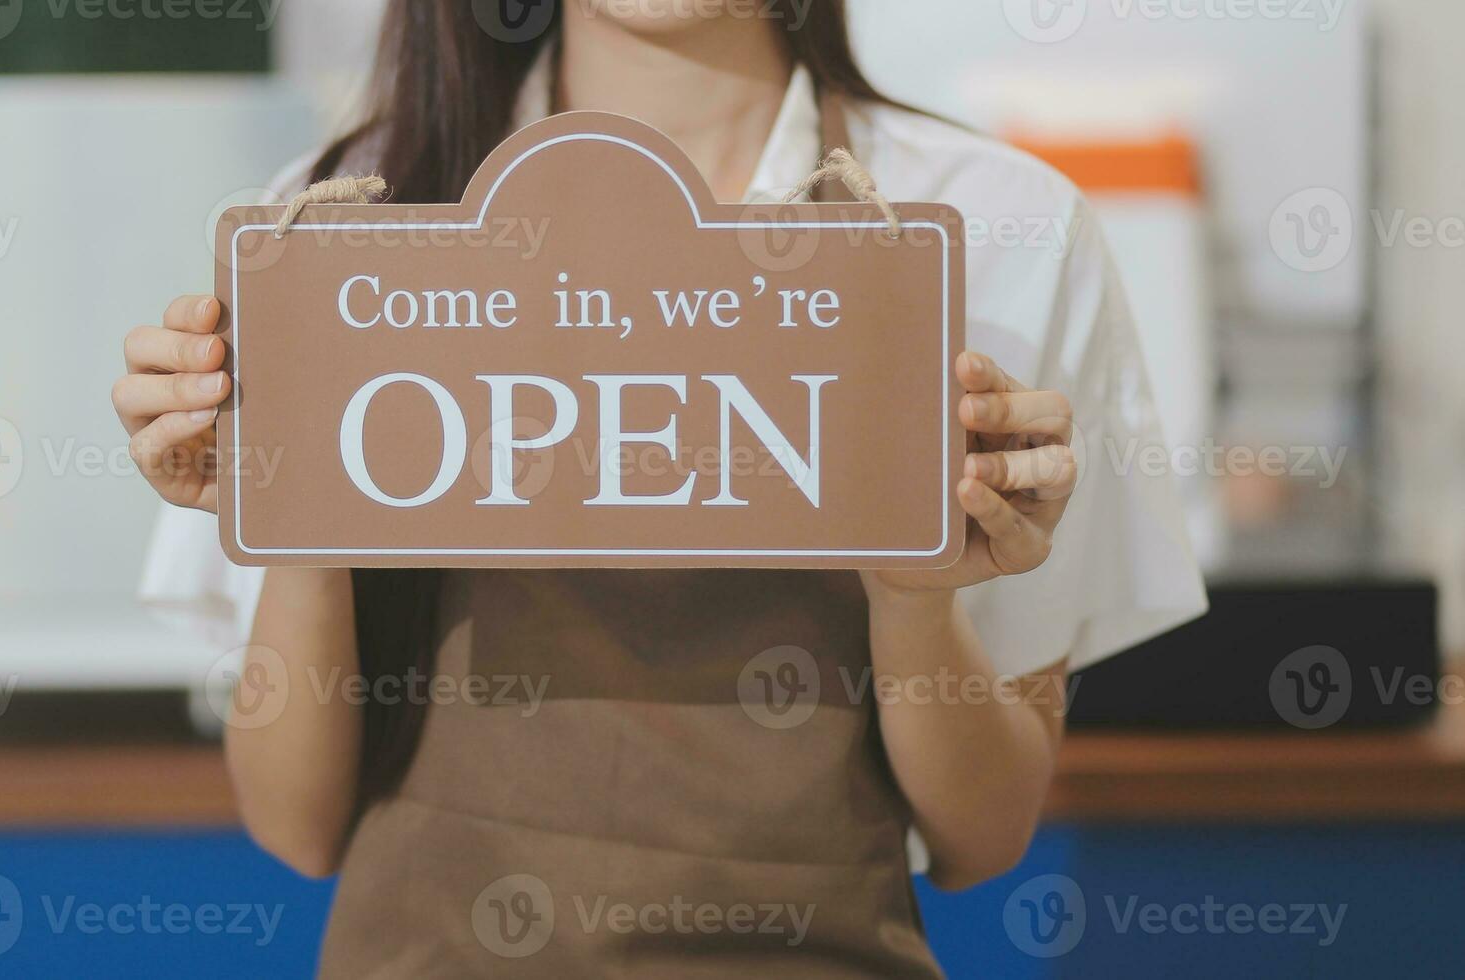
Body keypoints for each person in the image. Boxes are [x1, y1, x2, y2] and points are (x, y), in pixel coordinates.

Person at [113, 2, 1206, 975]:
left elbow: (986, 835)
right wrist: (293, 502)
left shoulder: (995, 229)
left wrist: (915, 590)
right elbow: (295, 824)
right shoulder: (329, 231)